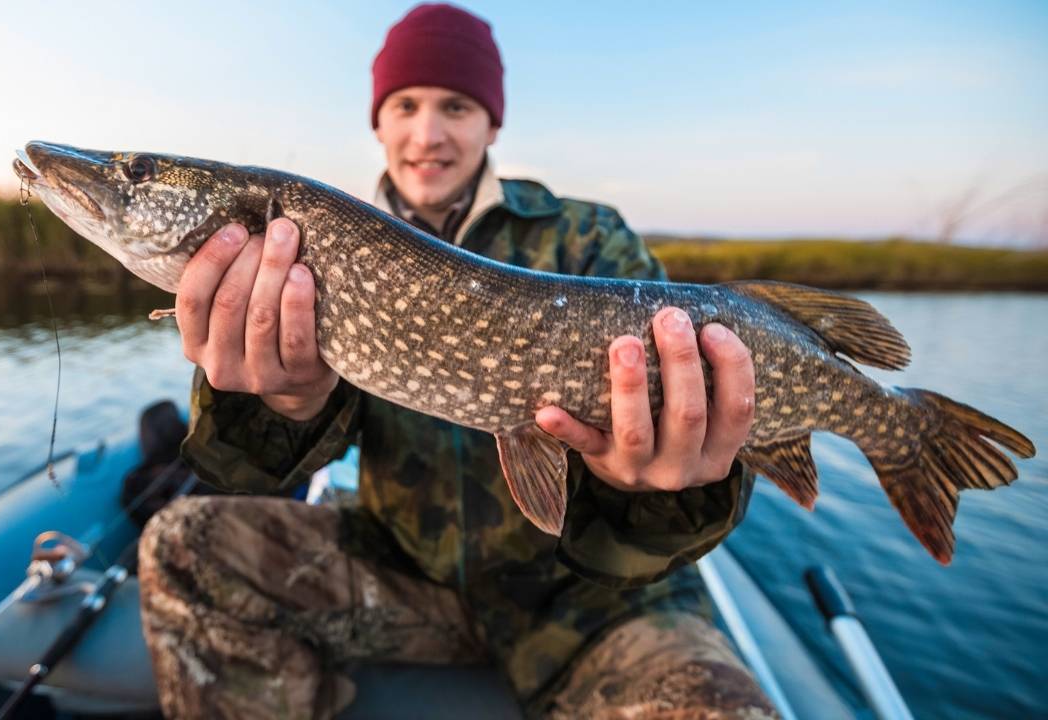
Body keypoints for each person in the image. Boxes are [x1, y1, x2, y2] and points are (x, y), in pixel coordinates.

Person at [137, 4, 777, 718]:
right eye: (405, 105)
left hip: (593, 602)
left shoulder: (589, 238)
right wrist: (279, 402)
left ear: (492, 123)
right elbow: (251, 472)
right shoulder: (300, 246)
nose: (428, 133)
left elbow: (682, 470)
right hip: (407, 572)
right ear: (378, 120)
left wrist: (653, 490)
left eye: (457, 106)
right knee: (182, 546)